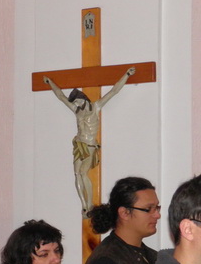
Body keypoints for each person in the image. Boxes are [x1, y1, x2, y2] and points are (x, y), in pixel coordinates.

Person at [43, 68, 136, 214]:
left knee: (83, 172)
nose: (76, 104)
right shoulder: (77, 111)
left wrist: (127, 74)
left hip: (90, 144)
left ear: (83, 99)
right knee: (77, 173)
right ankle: (84, 205)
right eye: (75, 103)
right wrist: (50, 83)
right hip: (79, 144)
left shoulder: (96, 107)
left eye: (77, 101)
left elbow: (114, 91)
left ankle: (89, 203)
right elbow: (61, 96)